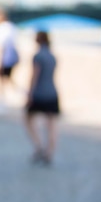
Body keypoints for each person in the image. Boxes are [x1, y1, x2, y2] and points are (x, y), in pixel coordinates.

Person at [24, 30, 59, 164]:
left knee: (28, 119)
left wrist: (30, 94)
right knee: (52, 124)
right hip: (52, 92)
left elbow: (34, 76)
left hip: (40, 93)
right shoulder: (52, 56)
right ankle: (49, 152)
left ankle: (39, 146)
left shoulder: (38, 56)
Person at [0, 6, 19, 110]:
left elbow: (0, 48)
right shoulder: (11, 27)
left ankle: (1, 103)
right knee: (9, 79)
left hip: (4, 60)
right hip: (12, 59)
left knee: (1, 82)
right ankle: (22, 94)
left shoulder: (0, 29)